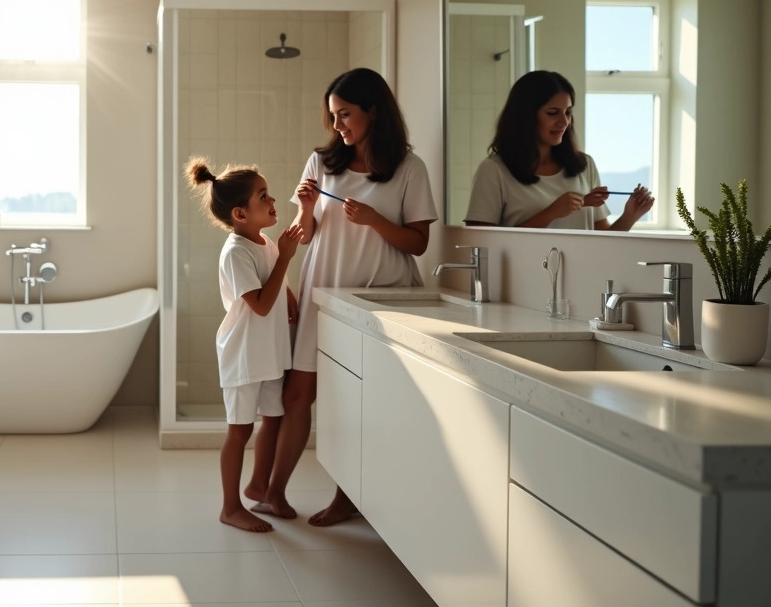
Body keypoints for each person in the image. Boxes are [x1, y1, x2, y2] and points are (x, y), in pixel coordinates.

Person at [252, 68, 437, 526]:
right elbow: (306, 235)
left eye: (345, 115)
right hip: (325, 295)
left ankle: (345, 498)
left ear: (374, 111)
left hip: (382, 300)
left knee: (360, 402)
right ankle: (274, 492)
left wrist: (374, 219)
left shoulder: (409, 169)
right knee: (298, 396)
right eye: (333, 117)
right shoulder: (322, 163)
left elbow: (418, 243)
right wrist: (307, 207)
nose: (337, 126)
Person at [185, 156, 303, 533]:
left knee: (275, 416)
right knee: (239, 430)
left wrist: (289, 292)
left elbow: (274, 288)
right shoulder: (237, 252)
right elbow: (260, 304)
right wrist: (285, 260)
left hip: (268, 351)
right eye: (263, 197)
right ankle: (230, 507)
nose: (273, 202)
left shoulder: (264, 242)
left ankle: (261, 488)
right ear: (239, 213)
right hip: (244, 355)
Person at [464, 70, 654, 230]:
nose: (564, 122)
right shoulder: (494, 171)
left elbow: (603, 243)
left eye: (568, 112)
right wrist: (552, 212)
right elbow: (481, 243)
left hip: (583, 274)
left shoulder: (585, 166)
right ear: (525, 116)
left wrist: (630, 216)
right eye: (552, 113)